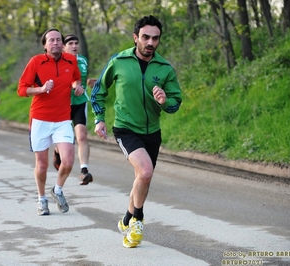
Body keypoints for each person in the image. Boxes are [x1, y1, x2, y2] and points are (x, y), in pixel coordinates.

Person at [91, 15, 182, 248]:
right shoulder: (119, 61)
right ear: (135, 38)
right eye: (145, 37)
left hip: (152, 130)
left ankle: (125, 219)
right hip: (126, 128)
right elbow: (98, 90)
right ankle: (138, 220)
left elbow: (175, 102)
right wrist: (99, 119)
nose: (150, 42)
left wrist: (164, 101)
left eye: (155, 38)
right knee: (146, 171)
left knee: (142, 178)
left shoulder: (164, 68)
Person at [17, 28, 84, 216]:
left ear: (62, 44)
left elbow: (75, 78)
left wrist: (76, 87)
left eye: (58, 40)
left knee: (69, 160)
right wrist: (41, 89)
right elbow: (22, 90)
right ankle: (41, 199)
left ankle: (58, 190)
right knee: (42, 165)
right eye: (51, 40)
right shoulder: (36, 62)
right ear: (45, 45)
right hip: (40, 119)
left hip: (63, 119)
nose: (55, 43)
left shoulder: (70, 60)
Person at [53, 34, 93, 185]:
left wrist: (85, 84)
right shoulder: (57, 61)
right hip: (62, 104)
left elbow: (81, 79)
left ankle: (84, 171)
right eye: (70, 43)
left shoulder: (83, 60)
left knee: (81, 136)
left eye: (76, 43)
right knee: (65, 140)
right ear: (63, 46)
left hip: (79, 102)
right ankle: (57, 151)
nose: (75, 46)